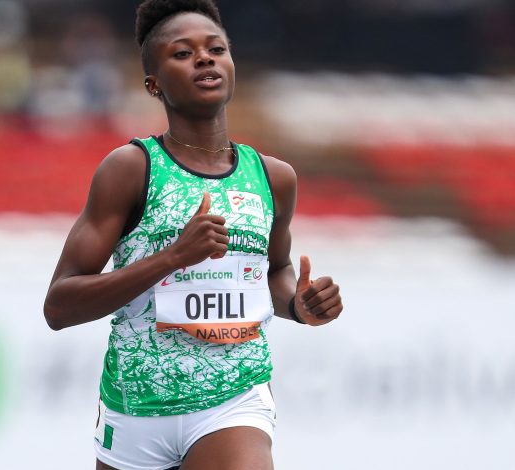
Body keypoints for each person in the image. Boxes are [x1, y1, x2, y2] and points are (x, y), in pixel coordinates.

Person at [43, 1, 343, 469]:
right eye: (182, 53)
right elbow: (59, 306)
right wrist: (172, 257)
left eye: (216, 49)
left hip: (234, 397)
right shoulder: (131, 170)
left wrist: (297, 305)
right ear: (153, 84)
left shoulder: (274, 178)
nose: (204, 59)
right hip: (136, 407)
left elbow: (276, 269)